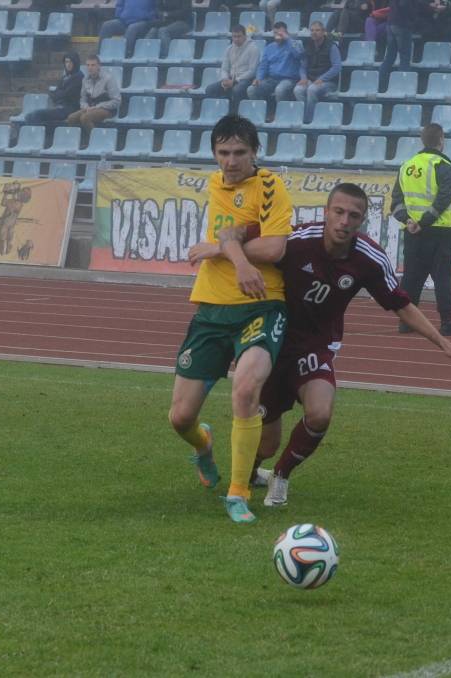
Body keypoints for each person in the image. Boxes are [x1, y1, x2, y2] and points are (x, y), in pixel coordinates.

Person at [250, 183, 451, 506]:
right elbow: (256, 250)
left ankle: (281, 475)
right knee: (266, 443)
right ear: (326, 212)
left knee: (320, 414)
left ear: (362, 221)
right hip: (273, 344)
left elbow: (401, 304)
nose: (344, 221)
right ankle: (248, 473)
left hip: (316, 347)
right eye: (339, 212)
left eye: (354, 215)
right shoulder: (296, 241)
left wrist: (443, 343)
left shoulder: (369, 258)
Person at [171, 114, 292, 525]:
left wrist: (222, 250)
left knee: (245, 389)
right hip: (211, 308)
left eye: (240, 152)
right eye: (223, 152)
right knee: (180, 418)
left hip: (262, 304)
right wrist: (232, 250)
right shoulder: (215, 183)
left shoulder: (271, 186)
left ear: (255, 151)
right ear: (214, 154)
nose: (231, 161)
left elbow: (274, 249)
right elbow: (232, 236)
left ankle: (238, 493)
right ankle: (203, 444)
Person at [392, 123, 451, 336]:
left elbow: (396, 202)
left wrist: (408, 220)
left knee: (411, 278)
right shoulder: (443, 165)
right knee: (443, 279)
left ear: (422, 140)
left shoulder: (406, 166)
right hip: (441, 231)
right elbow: (444, 198)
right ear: (441, 140)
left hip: (413, 232)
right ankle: (446, 322)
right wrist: (424, 222)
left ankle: (406, 321)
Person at [247, 21, 302, 114]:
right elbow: (263, 66)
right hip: (271, 79)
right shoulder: (269, 47)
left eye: (281, 33)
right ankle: (262, 115)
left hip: (289, 79)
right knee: (252, 90)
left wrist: (287, 39)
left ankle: (282, 115)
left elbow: (299, 54)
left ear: (286, 33)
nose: (278, 35)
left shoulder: (294, 44)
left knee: (280, 90)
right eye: (275, 33)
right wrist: (258, 78)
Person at [204, 24, 260, 111]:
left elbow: (252, 71)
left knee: (237, 90)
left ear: (245, 36)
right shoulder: (229, 49)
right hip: (231, 79)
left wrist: (235, 81)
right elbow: (224, 68)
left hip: (246, 79)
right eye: (234, 36)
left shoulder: (253, 49)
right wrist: (225, 79)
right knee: (210, 89)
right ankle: (217, 113)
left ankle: (236, 114)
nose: (236, 39)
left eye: (239, 36)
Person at [293, 21, 341, 124]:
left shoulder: (331, 46)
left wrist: (322, 79)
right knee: (298, 90)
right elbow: (303, 66)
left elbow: (336, 67)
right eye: (312, 30)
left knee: (312, 89)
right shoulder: (308, 45)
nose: (314, 33)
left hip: (328, 82)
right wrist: (303, 78)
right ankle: (302, 117)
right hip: (311, 79)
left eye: (317, 30)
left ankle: (309, 121)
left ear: (323, 32)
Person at [24, 52, 82, 131]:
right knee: (28, 116)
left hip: (70, 109)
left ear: (75, 63)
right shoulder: (65, 77)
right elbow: (55, 94)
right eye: (66, 62)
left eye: (71, 62)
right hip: (59, 107)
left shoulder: (79, 77)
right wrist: (59, 93)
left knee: (36, 115)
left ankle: (41, 136)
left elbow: (66, 94)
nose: (68, 64)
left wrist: (59, 93)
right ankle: (39, 135)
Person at [65, 53, 120, 132]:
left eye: (93, 65)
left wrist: (98, 106)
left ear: (99, 66)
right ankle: (79, 138)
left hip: (107, 109)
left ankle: (96, 138)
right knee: (71, 118)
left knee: (85, 118)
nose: (90, 68)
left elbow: (116, 101)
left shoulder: (108, 79)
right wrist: (86, 107)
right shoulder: (85, 80)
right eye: (88, 65)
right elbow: (82, 99)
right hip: (90, 108)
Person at [378, 0, 415, 89]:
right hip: (402, 24)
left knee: (389, 57)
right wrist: (412, 17)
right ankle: (402, 87)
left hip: (391, 23)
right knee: (404, 58)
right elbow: (404, 4)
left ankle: (380, 86)